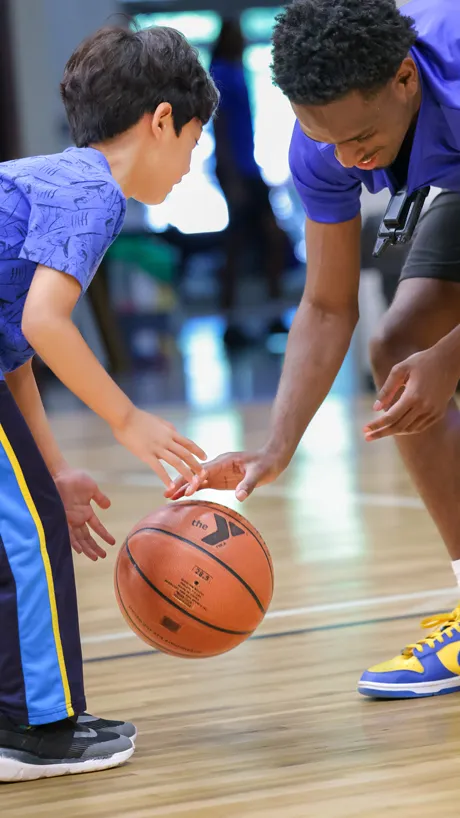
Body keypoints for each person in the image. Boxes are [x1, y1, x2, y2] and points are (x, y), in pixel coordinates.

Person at [167, 0, 460, 701]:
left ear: (404, 79)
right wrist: (277, 444)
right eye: (322, 138)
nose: (347, 161)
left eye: (362, 140)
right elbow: (328, 307)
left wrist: (452, 359)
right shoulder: (326, 142)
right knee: (397, 346)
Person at [0, 25, 218, 782]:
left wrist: (54, 468)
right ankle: (33, 732)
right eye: (194, 142)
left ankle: (28, 711)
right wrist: (126, 419)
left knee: (30, 521)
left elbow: (13, 353)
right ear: (163, 120)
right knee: (25, 541)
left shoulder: (50, 180)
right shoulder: (93, 191)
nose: (192, 165)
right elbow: (43, 323)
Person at [210, 18, 287, 343]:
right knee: (238, 247)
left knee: (270, 241)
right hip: (235, 171)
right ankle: (230, 323)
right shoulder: (221, 74)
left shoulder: (237, 71)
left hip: (248, 167)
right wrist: (231, 179)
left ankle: (273, 316)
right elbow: (221, 128)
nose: (243, 41)